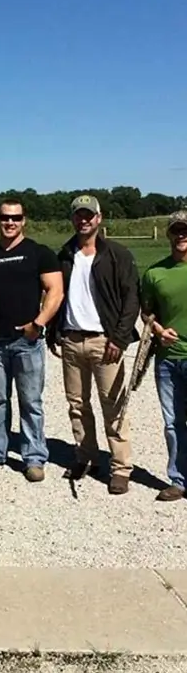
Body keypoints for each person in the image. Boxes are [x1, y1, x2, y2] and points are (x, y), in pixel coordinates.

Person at [46, 195, 140, 495]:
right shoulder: (64, 254)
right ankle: (85, 456)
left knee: (113, 407)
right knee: (77, 405)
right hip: (72, 339)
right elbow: (54, 295)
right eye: (78, 215)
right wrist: (53, 330)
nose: (83, 220)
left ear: (99, 218)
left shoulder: (117, 255)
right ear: (73, 219)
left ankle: (121, 467)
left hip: (105, 341)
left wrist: (120, 338)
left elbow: (131, 300)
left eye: (89, 215)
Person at [0, 199, 64, 482]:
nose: (10, 222)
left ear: (24, 220)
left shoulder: (40, 253)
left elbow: (55, 291)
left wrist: (38, 324)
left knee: (30, 401)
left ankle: (34, 457)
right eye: (4, 218)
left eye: (16, 217)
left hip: (27, 341)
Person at [140, 210, 187, 502]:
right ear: (168, 234)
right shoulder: (154, 273)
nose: (181, 235)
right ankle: (178, 479)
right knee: (172, 422)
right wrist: (157, 330)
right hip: (168, 358)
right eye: (176, 230)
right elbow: (146, 312)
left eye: (186, 229)